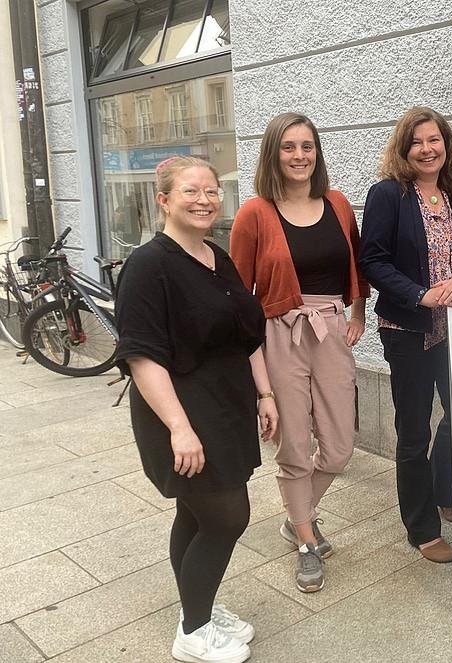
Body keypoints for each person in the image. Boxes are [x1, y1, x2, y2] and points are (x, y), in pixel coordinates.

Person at [115, 156, 277, 663]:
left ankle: (198, 608)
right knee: (227, 517)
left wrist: (266, 395)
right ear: (163, 200)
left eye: (211, 190)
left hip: (226, 407)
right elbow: (141, 355)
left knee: (195, 511)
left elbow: (247, 335)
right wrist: (180, 429)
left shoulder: (216, 256)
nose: (205, 199)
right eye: (191, 191)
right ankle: (192, 634)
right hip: (181, 413)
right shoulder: (147, 265)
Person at [230, 112, 369, 593]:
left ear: (317, 153)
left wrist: (357, 315)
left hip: (330, 328)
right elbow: (237, 293)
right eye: (289, 147)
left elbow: (355, 263)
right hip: (278, 332)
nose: (299, 156)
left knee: (338, 447)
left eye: (307, 146)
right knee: (294, 448)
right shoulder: (255, 213)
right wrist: (257, 378)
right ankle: (307, 539)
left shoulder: (338, 203)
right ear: (273, 153)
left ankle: (296, 516)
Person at [358, 106, 452, 563]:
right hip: (408, 330)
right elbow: (372, 261)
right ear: (403, 149)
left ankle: (446, 494)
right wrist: (421, 295)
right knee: (413, 430)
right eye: (417, 142)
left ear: (446, 147)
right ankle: (421, 527)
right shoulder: (387, 196)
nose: (427, 149)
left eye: (435, 140)